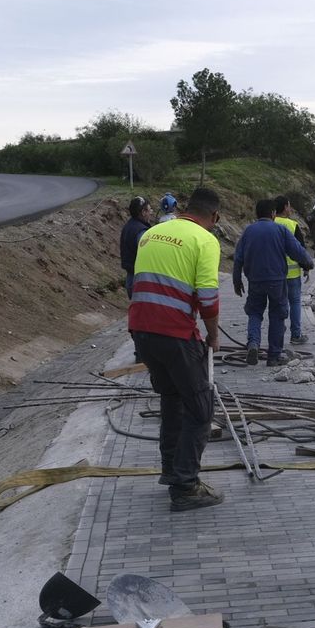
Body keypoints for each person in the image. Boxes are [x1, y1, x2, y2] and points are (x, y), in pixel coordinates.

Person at [129, 187, 224, 512]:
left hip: (141, 332)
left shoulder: (152, 233)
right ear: (214, 217)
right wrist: (212, 336)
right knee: (200, 409)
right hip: (174, 334)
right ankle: (185, 486)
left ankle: (170, 470)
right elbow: (208, 297)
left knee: (172, 400)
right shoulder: (205, 240)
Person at [232, 199, 314, 367]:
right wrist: (308, 263)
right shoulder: (280, 230)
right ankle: (274, 356)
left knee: (254, 312)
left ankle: (253, 343)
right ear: (273, 213)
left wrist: (236, 280)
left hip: (254, 280)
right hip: (276, 281)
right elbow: (297, 251)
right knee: (277, 315)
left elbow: (238, 258)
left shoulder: (248, 231)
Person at [272, 195, 309, 345]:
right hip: (292, 273)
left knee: (278, 304)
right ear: (286, 207)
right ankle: (296, 335)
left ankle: (278, 333)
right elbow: (300, 249)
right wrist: (306, 267)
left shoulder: (270, 223)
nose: (290, 208)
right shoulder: (293, 225)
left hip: (275, 273)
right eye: (289, 205)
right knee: (294, 302)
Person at [119, 196, 155, 297]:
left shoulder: (129, 226)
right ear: (143, 212)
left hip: (131, 276)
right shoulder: (141, 232)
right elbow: (148, 255)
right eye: (149, 210)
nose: (151, 212)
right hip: (139, 280)